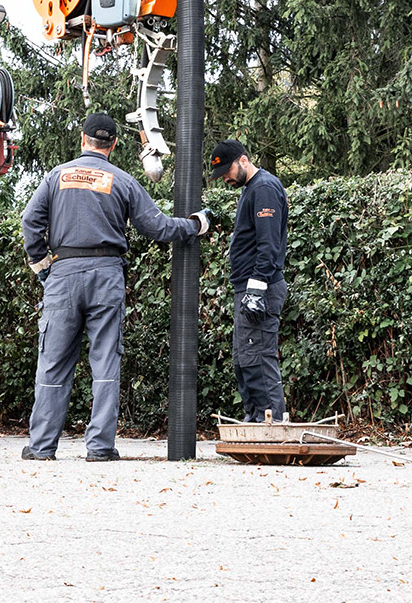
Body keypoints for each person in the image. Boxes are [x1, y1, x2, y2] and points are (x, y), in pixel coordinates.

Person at [21, 113, 209, 462]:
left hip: (63, 274)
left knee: (52, 363)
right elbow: (158, 227)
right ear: (115, 145)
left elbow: (30, 221)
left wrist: (43, 266)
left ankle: (42, 447)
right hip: (107, 276)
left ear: (82, 139)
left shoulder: (56, 177)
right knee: (106, 362)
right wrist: (194, 225)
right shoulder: (122, 181)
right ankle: (100, 448)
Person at [209, 139, 289, 422]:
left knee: (258, 358)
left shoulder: (264, 188)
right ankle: (256, 419)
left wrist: (256, 289)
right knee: (245, 359)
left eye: (227, 171)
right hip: (248, 288)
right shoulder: (251, 189)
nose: (226, 179)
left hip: (260, 288)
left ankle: (271, 422)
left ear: (243, 160)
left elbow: (268, 244)